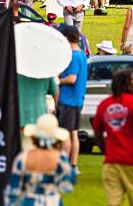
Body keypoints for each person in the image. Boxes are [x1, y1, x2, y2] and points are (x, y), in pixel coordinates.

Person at [93, 69, 133, 206]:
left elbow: (97, 132)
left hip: (111, 163)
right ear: (127, 84)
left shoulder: (105, 104)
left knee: (113, 202)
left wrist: (106, 151)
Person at [4, 113, 75, 205]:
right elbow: (67, 185)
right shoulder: (60, 158)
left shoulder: (23, 157)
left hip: (29, 201)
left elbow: (14, 188)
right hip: (52, 201)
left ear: (35, 137)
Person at [57, 26, 88, 171]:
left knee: (65, 133)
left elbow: (71, 78)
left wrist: (58, 80)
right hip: (77, 99)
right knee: (73, 132)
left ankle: (65, 164)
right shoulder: (82, 55)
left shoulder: (73, 56)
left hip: (68, 99)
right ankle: (73, 164)